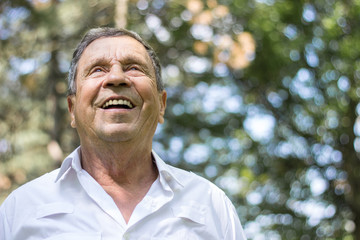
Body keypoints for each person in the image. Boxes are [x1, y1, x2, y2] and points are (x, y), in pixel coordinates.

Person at [0, 27, 247, 240]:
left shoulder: (212, 205)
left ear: (161, 105)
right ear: (72, 109)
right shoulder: (21, 209)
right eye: (97, 69)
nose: (116, 78)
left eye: (133, 67)